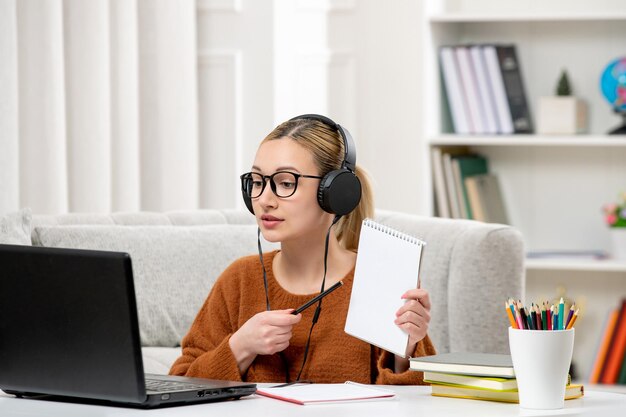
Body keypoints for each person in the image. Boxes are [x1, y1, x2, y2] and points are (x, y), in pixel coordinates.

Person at [170, 115, 436, 384]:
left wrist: (405, 352)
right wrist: (241, 346)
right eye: (258, 181)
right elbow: (180, 384)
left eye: (286, 183)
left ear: (334, 192)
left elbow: (417, 405)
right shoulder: (239, 280)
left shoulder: (380, 281)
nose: (264, 200)